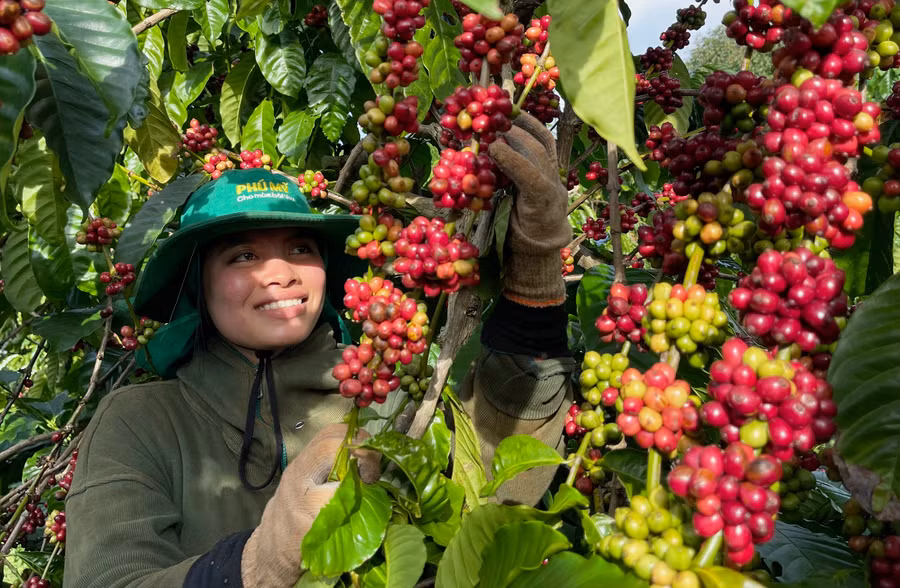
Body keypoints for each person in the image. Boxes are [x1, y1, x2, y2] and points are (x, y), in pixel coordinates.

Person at [63, 114, 575, 588]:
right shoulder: (140, 422)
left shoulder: (386, 397)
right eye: (244, 255)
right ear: (201, 285)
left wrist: (533, 282)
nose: (281, 273)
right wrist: (255, 564)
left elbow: (492, 482)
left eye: (300, 249)